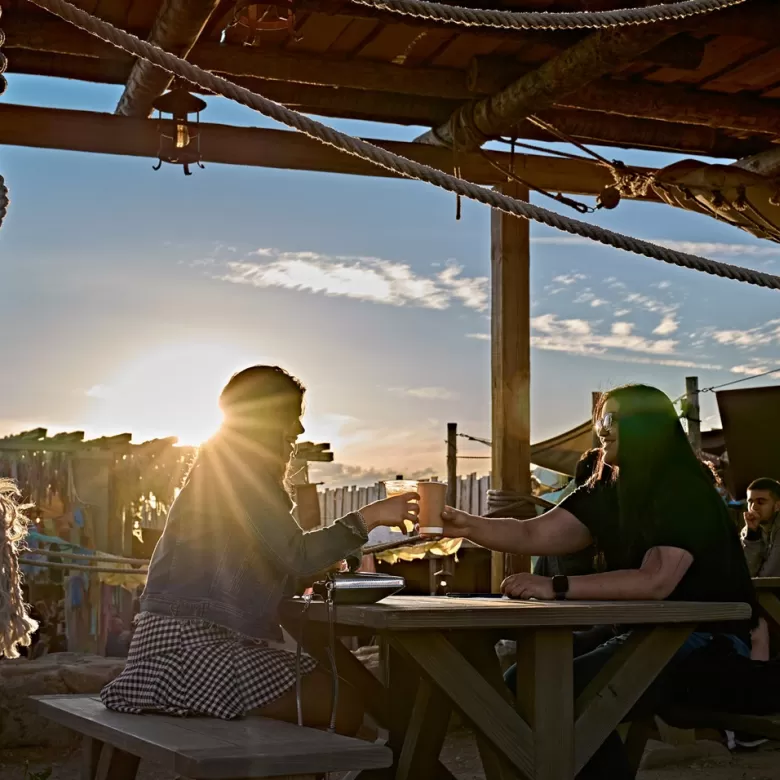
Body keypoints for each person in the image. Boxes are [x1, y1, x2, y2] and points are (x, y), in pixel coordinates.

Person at [439, 384, 758, 779]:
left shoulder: (682, 489)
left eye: (609, 420)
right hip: (642, 634)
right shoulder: (606, 486)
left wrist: (554, 587)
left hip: (706, 644)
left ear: (645, 428)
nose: (601, 431)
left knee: (559, 691)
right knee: (525, 681)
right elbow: (530, 534)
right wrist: (461, 523)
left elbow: (655, 580)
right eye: (599, 420)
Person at [101, 366, 418, 734]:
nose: (299, 430)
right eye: (292, 416)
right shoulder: (241, 474)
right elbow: (296, 554)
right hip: (191, 649)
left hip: (177, 646)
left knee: (339, 707)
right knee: (342, 706)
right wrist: (368, 517)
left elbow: (282, 562)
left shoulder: (224, 470)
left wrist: (326, 562)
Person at [741, 477, 780, 577]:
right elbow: (744, 572)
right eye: (750, 502)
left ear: (777, 506)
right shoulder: (749, 529)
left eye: (761, 502)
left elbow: (770, 576)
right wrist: (752, 535)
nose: (753, 507)